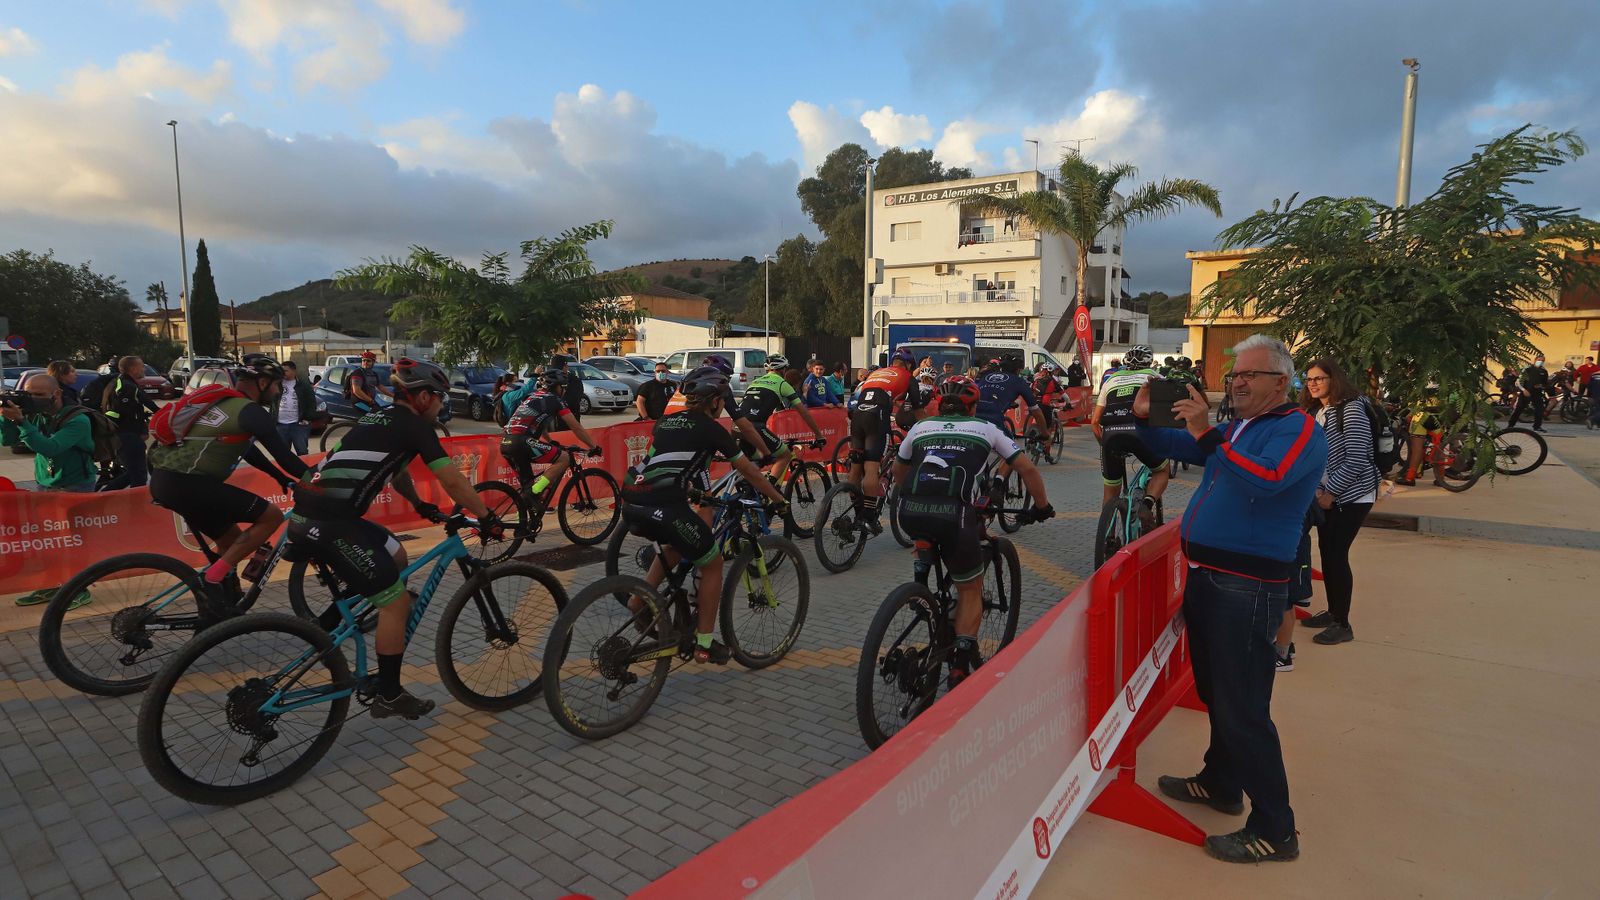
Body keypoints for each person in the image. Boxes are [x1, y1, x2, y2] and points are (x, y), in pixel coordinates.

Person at [1134, 333, 1326, 865]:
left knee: (1244, 709)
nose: (1235, 382)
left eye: (1248, 375)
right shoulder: (1242, 427)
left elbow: (1267, 481)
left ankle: (1275, 829)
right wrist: (1140, 421)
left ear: (1280, 382)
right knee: (1220, 694)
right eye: (1233, 375)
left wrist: (1207, 436)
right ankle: (1220, 782)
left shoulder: (1296, 428)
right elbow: (1184, 447)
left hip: (1247, 587)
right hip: (1212, 578)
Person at [291, 358, 495, 719]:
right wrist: (486, 516)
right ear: (421, 398)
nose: (442, 404)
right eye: (439, 397)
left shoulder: (379, 417)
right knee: (396, 604)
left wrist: (421, 505)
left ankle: (324, 629)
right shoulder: (415, 427)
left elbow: (396, 471)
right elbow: (452, 480)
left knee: (396, 556)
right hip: (332, 522)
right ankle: (389, 694)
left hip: (308, 514)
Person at [619, 366, 790, 663]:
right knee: (712, 564)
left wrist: (694, 492)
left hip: (631, 500)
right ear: (714, 401)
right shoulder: (712, 429)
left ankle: (639, 599)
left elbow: (664, 465)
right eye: (722, 399)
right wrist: (779, 500)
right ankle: (705, 645)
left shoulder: (665, 422)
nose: (723, 404)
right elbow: (749, 470)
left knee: (675, 546)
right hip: (664, 505)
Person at [894, 375, 1053, 685]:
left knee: (926, 531)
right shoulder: (987, 429)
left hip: (910, 512)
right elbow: (1027, 469)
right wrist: (1042, 507)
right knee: (970, 590)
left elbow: (900, 473)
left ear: (939, 404)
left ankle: (920, 578)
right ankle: (959, 668)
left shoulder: (919, 428)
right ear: (973, 407)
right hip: (956, 516)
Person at [148, 359, 311, 600]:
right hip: (189, 483)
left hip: (165, 481)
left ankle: (222, 601)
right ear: (263, 382)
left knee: (232, 541)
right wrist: (319, 478)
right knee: (272, 516)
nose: (278, 391)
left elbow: (247, 449)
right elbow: (286, 457)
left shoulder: (226, 406)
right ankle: (212, 579)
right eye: (277, 385)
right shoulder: (250, 411)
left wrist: (279, 477)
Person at [1295, 358, 1378, 649]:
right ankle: (1332, 612)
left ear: (1335, 379)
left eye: (1320, 378)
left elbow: (1357, 459)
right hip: (1329, 494)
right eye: (1309, 379)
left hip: (1353, 496)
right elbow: (1319, 457)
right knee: (1327, 552)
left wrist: (1330, 493)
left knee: (1336, 554)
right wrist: (1319, 490)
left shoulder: (1352, 409)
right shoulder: (1321, 410)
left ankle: (1342, 624)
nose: (1313, 384)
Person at [501, 369, 600, 512]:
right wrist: (594, 446)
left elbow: (537, 424)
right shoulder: (555, 400)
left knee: (526, 490)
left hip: (506, 442)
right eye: (563, 387)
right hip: (521, 441)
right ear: (557, 387)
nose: (564, 390)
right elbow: (576, 427)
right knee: (564, 459)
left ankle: (522, 527)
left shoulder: (533, 397)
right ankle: (536, 490)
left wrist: (549, 440)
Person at [843, 347, 919, 533]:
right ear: (909, 365)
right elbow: (918, 410)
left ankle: (858, 511)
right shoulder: (907, 376)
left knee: (856, 468)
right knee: (871, 468)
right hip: (876, 419)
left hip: (858, 417)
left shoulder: (875, 373)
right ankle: (868, 517)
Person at [1094, 345, 1169, 525]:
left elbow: (1094, 422)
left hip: (1110, 435)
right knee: (1162, 470)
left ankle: (1108, 535)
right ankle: (1147, 504)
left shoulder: (1111, 379)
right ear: (1150, 361)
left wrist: (1104, 445)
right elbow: (1167, 417)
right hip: (1140, 432)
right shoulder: (1156, 377)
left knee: (1111, 492)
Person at [1, 375, 96, 493]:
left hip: (75, 484)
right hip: (44, 482)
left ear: (57, 393)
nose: (33, 399)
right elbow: (8, 441)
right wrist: (6, 418)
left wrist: (21, 422)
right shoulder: (35, 414)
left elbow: (50, 448)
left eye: (39, 395)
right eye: (29, 395)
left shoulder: (77, 419)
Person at [740, 357, 825, 479]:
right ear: (784, 370)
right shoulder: (782, 384)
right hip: (755, 427)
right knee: (785, 456)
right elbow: (804, 412)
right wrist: (819, 435)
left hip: (737, 427)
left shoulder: (755, 382)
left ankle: (750, 490)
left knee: (755, 461)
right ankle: (769, 490)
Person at [101, 355, 161, 490]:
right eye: (141, 366)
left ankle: (103, 495)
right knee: (139, 475)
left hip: (120, 434)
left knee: (132, 473)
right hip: (127, 435)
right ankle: (135, 504)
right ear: (133, 369)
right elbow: (148, 406)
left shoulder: (119, 382)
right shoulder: (127, 387)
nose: (143, 368)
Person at [273, 360, 316, 455]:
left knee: (302, 452)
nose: (283, 373)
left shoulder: (303, 385)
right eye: (282, 370)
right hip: (281, 425)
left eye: (286, 370)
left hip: (299, 425)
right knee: (282, 453)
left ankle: (304, 469)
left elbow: (311, 403)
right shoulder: (277, 385)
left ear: (294, 371)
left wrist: (307, 418)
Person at [1506, 354, 1549, 432]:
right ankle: (1510, 425)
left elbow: (1545, 383)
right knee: (1519, 409)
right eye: (1539, 360)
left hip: (1537, 393)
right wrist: (1523, 390)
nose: (1540, 362)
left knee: (1539, 409)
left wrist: (1541, 386)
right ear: (1535, 360)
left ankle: (1537, 426)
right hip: (1526, 392)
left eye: (1542, 361)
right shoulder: (1527, 369)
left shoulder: (1544, 371)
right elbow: (1518, 382)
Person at [1031, 364, 1062, 460]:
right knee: (1049, 428)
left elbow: (1031, 389)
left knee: (1036, 420)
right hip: (1045, 405)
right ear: (1052, 371)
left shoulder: (1036, 378)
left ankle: (1031, 438)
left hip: (1034, 404)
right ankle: (1047, 453)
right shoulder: (1053, 381)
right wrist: (1068, 404)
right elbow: (1064, 395)